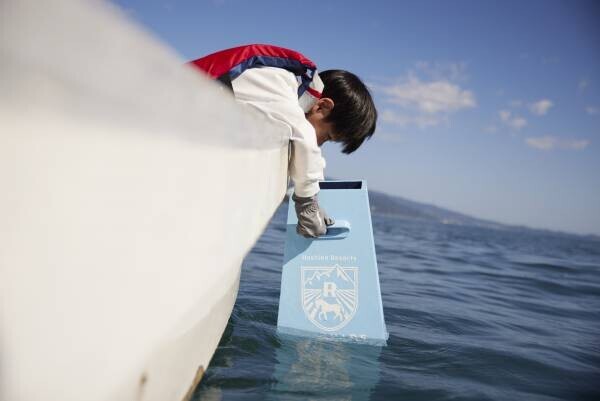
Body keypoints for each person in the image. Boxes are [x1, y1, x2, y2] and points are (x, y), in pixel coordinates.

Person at [189, 44, 377, 237]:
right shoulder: (278, 84)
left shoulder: (282, 103)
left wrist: (317, 196)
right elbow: (306, 141)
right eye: (327, 137)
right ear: (321, 107)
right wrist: (308, 204)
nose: (320, 144)